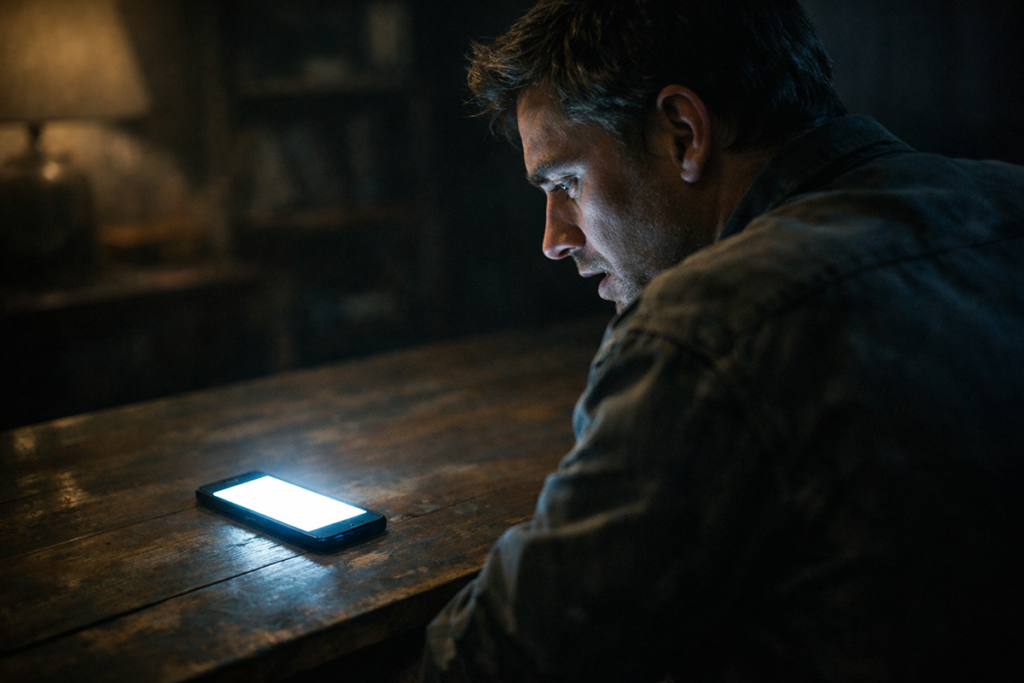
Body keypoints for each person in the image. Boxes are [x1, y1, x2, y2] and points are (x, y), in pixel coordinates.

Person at [422, 1, 1024, 680]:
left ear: (683, 132)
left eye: (566, 182)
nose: (554, 238)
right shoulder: (1010, 200)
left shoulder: (708, 327)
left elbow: (488, 663)